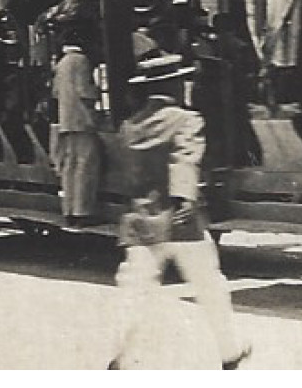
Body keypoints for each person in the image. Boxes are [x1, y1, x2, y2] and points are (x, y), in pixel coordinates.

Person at [113, 54, 250, 370]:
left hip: (142, 219)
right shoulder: (187, 119)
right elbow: (184, 158)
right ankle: (229, 352)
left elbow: (128, 175)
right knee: (210, 286)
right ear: (173, 85)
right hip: (181, 221)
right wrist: (184, 198)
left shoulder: (130, 126)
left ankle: (122, 359)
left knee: (136, 292)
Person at [52, 40, 101, 225]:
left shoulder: (62, 63)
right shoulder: (81, 61)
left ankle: (69, 212)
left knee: (70, 168)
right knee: (85, 167)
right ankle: (83, 213)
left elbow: (56, 92)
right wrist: (96, 92)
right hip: (82, 121)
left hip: (66, 121)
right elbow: (84, 91)